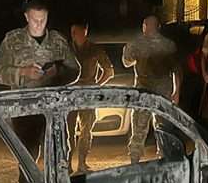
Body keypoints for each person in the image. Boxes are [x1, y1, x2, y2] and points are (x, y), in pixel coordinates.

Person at [0, 0, 80, 176]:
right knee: (28, 160)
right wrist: (23, 72)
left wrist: (58, 72)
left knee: (58, 157)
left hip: (54, 108)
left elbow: (76, 71)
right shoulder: (12, 40)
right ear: (26, 17)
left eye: (42, 20)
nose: (39, 24)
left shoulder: (57, 41)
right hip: (24, 110)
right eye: (34, 20)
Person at [122, 15, 181, 164]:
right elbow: (177, 70)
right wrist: (176, 90)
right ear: (158, 26)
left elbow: (126, 62)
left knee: (140, 126)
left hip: (145, 88)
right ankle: (163, 157)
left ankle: (135, 160)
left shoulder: (137, 43)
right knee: (161, 125)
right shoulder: (168, 44)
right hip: (160, 88)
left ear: (144, 26)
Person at [68, 21, 114, 173]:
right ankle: (67, 163)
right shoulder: (66, 49)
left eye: (78, 31)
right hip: (69, 95)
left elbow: (108, 71)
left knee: (86, 130)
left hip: (88, 94)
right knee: (67, 131)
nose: (75, 34)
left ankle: (82, 162)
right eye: (73, 31)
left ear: (85, 31)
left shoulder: (95, 50)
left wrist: (96, 85)